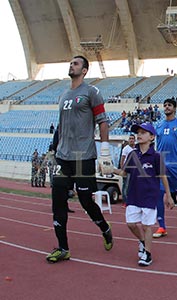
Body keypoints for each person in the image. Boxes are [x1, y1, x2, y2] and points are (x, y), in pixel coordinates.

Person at [46, 55, 113, 263]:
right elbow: (60, 126)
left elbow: (102, 121)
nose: (71, 65)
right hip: (63, 157)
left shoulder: (92, 92)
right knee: (58, 201)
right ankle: (63, 247)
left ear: (84, 70)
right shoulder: (64, 95)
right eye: (71, 63)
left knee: (85, 201)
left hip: (83, 156)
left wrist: (104, 150)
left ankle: (104, 227)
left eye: (76, 63)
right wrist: (53, 149)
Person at [115, 123, 174, 266]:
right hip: (133, 195)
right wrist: (110, 169)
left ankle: (147, 254)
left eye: (143, 132)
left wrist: (169, 195)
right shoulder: (132, 154)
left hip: (149, 195)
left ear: (152, 137)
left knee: (147, 226)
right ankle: (142, 241)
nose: (139, 135)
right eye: (138, 132)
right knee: (131, 224)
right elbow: (124, 173)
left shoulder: (156, 156)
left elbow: (163, 176)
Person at [153, 98, 177, 238]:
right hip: (162, 165)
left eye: (169, 105)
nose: (166, 107)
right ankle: (162, 226)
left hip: (176, 166)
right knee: (159, 194)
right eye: (165, 105)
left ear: (175, 108)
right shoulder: (159, 126)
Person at [120, 134, 136, 207]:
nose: (131, 140)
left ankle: (132, 200)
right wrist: (122, 169)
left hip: (135, 169)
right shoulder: (126, 149)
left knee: (133, 185)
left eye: (132, 138)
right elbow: (122, 159)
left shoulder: (136, 148)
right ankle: (125, 201)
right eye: (130, 138)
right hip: (127, 169)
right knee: (126, 185)